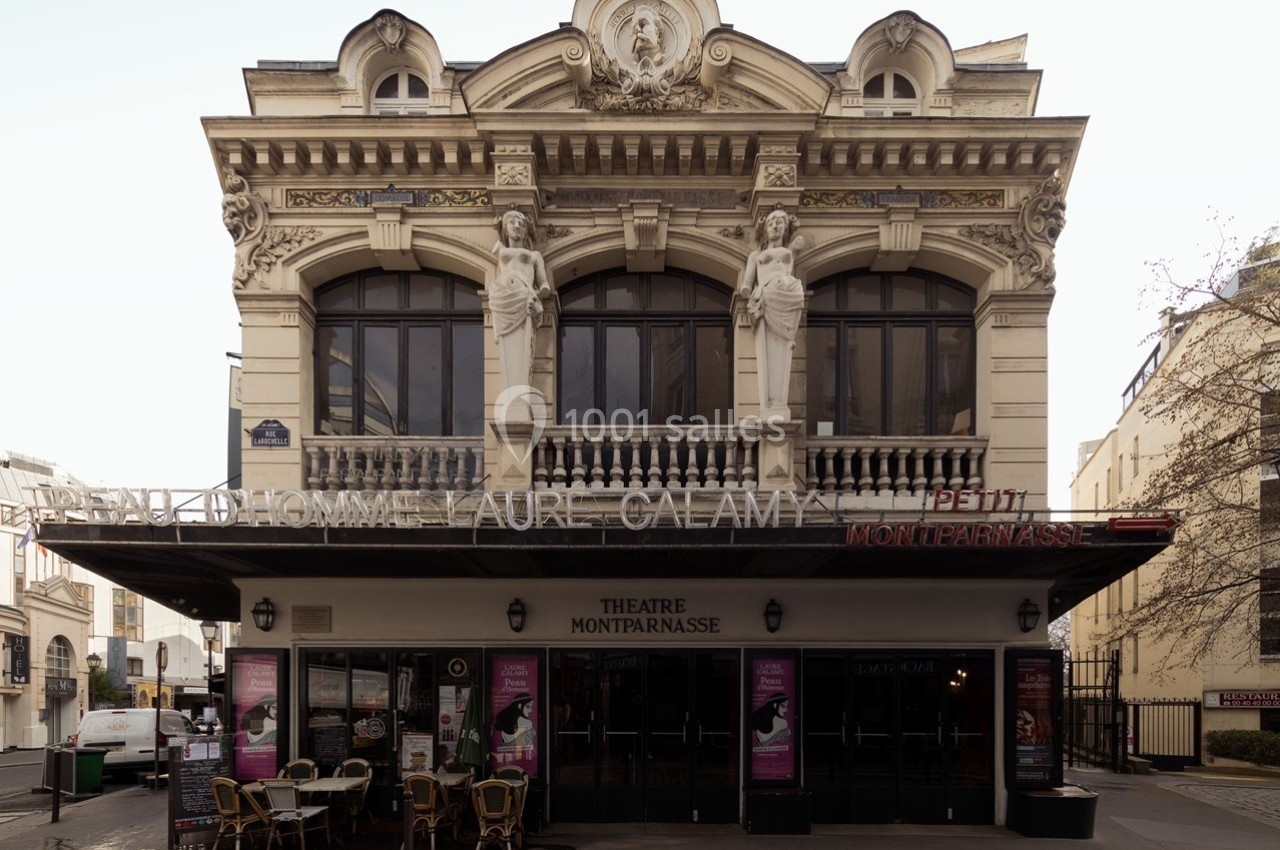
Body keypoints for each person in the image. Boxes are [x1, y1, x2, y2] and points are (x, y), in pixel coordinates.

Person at [741, 205, 806, 418]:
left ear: (786, 228)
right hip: (769, 296)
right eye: (770, 223)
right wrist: (748, 290)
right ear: (764, 229)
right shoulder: (756, 256)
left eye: (780, 223)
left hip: (789, 295)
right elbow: (746, 284)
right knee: (772, 348)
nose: (775, 226)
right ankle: (773, 407)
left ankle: (776, 406)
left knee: (782, 347)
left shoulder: (790, 251)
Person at [490, 207, 550, 404]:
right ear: (505, 229)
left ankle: (517, 403)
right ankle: (514, 403)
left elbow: (544, 285)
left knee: (522, 352)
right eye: (513, 222)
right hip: (505, 298)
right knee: (512, 352)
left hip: (525, 298)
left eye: (522, 224)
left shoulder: (534, 256)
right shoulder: (500, 249)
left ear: (526, 231)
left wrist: (537, 298)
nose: (517, 226)